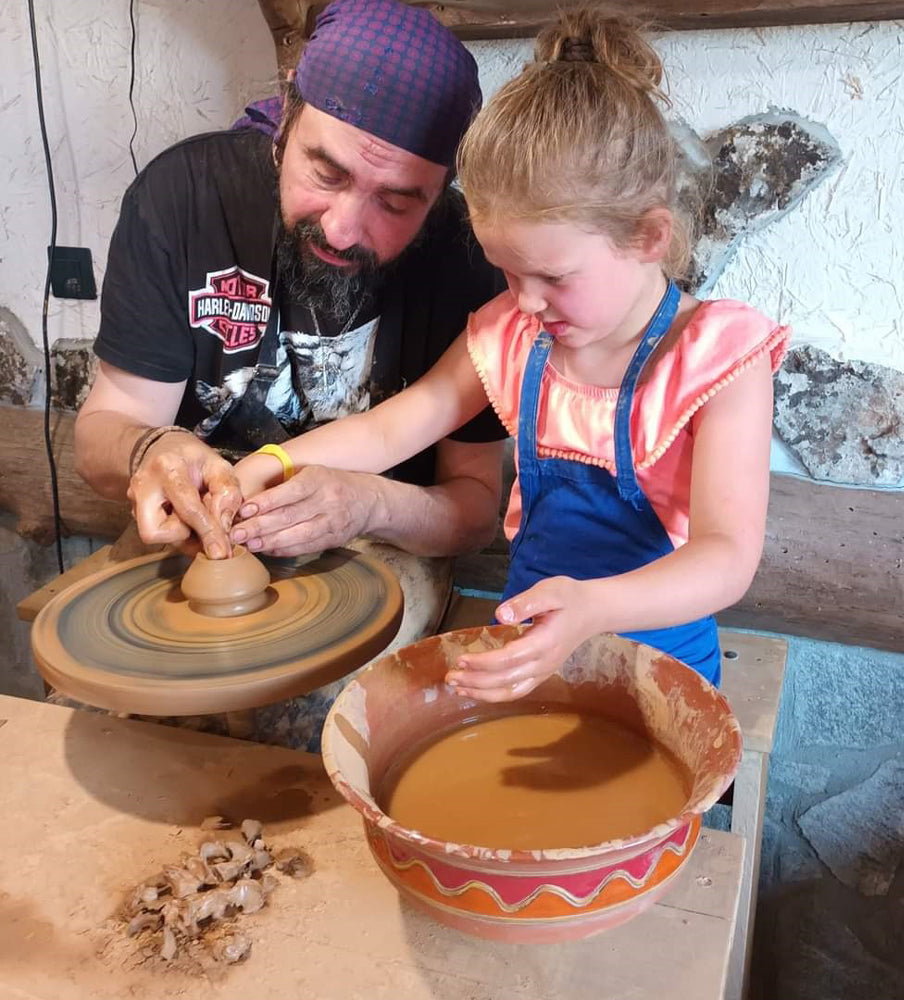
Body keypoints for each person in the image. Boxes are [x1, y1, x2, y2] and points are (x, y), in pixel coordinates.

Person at [232, 6, 791, 701]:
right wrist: (269, 464)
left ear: (650, 236)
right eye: (507, 271)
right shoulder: (515, 337)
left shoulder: (718, 361)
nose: (526, 302)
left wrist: (593, 610)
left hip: (660, 680)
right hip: (529, 660)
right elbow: (389, 428)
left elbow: (726, 558)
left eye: (554, 277)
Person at [74, 0, 507, 565]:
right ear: (286, 115)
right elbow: (104, 430)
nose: (342, 230)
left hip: (382, 559)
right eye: (326, 174)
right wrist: (148, 447)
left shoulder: (470, 256)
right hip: (206, 554)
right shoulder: (183, 198)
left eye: (396, 203)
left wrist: (374, 504)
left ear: (439, 193)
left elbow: (475, 510)